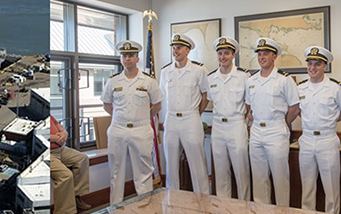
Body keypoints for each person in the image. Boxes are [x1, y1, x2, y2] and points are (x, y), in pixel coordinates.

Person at [101, 40, 163, 205]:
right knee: (116, 172)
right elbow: (107, 104)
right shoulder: (113, 81)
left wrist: (142, 117)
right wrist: (120, 118)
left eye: (130, 55)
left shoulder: (148, 81)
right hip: (118, 129)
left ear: (137, 58)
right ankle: (116, 207)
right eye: (124, 56)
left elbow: (157, 105)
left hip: (141, 129)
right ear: (121, 59)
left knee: (144, 171)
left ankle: (145, 206)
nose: (127, 59)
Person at [245, 37, 300, 206]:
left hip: (276, 130)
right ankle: (262, 209)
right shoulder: (251, 80)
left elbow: (294, 107)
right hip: (256, 132)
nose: (262, 57)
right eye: (259, 54)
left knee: (280, 177)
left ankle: (282, 210)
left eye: (266, 54)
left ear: (274, 56)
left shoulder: (284, 79)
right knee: (259, 177)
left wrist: (281, 123)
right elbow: (248, 106)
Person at [296, 46, 341, 213]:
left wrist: (330, 120)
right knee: (307, 186)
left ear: (324, 66)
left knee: (331, 187)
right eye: (310, 63)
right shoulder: (300, 88)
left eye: (317, 64)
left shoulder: (336, 88)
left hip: (327, 140)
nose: (312, 68)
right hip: (306, 139)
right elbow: (298, 111)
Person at [157, 34, 210, 194]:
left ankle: (203, 202)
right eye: (173, 47)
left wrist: (196, 113)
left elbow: (205, 95)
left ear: (187, 50)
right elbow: (161, 96)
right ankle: (173, 202)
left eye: (179, 47)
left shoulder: (198, 70)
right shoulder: (166, 71)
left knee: (197, 164)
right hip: (171, 119)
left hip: (191, 119)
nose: (175, 51)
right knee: (171, 165)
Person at [206, 36, 251, 200]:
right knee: (221, 170)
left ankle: (244, 207)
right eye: (220, 53)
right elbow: (211, 101)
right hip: (218, 127)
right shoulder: (211, 78)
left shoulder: (243, 76)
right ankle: (223, 207)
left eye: (226, 53)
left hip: (236, 126)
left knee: (241, 170)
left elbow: (249, 103)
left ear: (233, 55)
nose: (222, 57)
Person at [49, 115, 92, 214]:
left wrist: (64, 132)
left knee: (82, 159)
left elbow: (57, 124)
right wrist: (54, 138)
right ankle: (64, 211)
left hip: (61, 149)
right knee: (65, 176)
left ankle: (75, 196)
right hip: (48, 153)